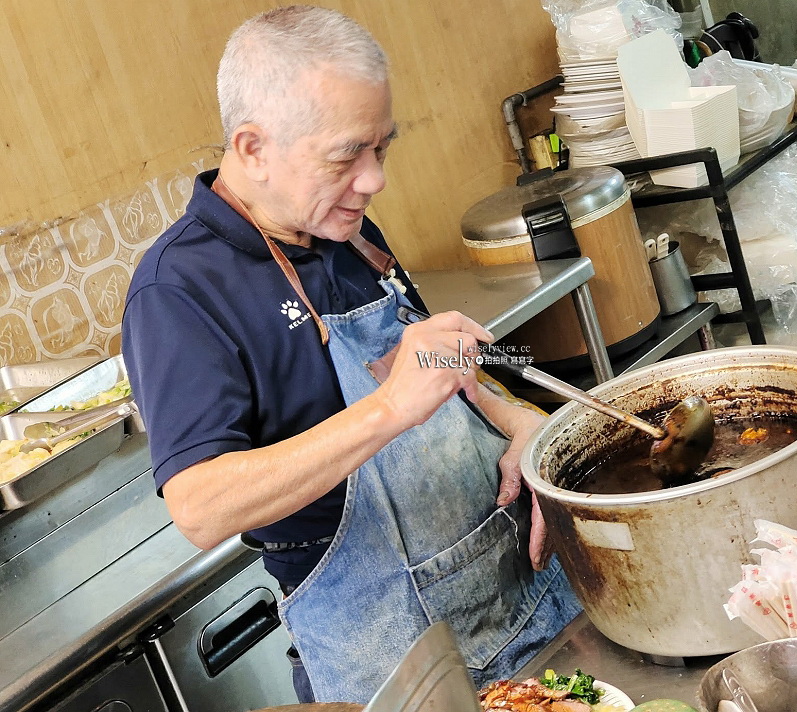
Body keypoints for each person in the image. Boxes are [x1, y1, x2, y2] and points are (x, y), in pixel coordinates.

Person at [121, 5, 581, 705]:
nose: (373, 181)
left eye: (381, 149)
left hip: (527, 607)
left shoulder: (347, 231)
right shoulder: (178, 292)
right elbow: (200, 505)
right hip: (396, 671)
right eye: (346, 156)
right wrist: (388, 410)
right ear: (253, 148)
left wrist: (517, 421)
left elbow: (434, 375)